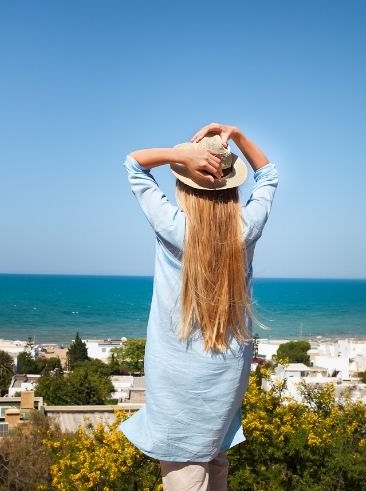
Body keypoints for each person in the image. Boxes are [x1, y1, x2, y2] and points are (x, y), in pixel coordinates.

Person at [119, 123, 279, 490]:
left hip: (176, 386)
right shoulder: (245, 228)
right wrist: (235, 135)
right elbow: (268, 176)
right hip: (226, 380)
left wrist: (181, 155)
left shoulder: (173, 227)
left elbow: (133, 164)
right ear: (232, 188)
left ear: (183, 187)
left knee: (186, 472)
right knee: (214, 458)